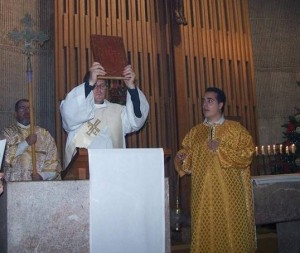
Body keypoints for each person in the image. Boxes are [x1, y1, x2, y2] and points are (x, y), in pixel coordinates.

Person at [174, 87, 256, 253]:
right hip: (203, 195)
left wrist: (222, 148)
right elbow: (187, 159)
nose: (205, 104)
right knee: (206, 232)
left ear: (220, 105)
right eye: (203, 101)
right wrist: (182, 157)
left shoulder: (235, 129)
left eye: (209, 100)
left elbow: (247, 154)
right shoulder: (195, 132)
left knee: (232, 232)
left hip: (230, 196)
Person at [60, 62, 149, 168]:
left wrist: (131, 87)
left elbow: (137, 120)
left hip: (112, 170)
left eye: (102, 85)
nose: (99, 89)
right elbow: (68, 112)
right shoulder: (79, 110)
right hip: (83, 170)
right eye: (95, 86)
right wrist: (89, 83)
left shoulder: (117, 111)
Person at [1, 99, 62, 181]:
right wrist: (26, 143)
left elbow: (53, 162)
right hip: (14, 185)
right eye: (22, 108)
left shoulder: (45, 135)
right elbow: (4, 157)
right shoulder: (7, 133)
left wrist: (42, 176)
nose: (27, 111)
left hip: (39, 186)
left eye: (30, 108)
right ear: (15, 113)